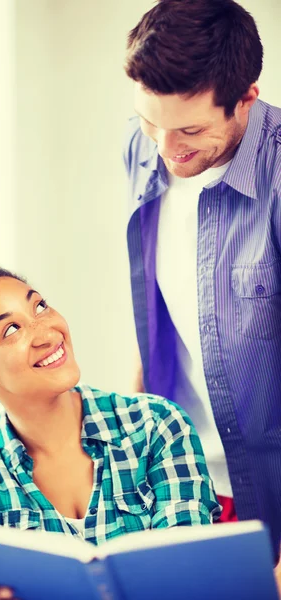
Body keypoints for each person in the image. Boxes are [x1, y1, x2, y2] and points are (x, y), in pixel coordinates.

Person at [0, 265, 219, 600]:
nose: (47, 333)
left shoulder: (157, 424)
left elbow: (188, 562)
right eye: (11, 330)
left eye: (39, 306)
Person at [123, 0, 281, 570]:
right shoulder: (142, 148)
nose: (166, 150)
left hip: (270, 495)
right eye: (150, 122)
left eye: (190, 129)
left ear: (247, 98)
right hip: (182, 481)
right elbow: (161, 302)